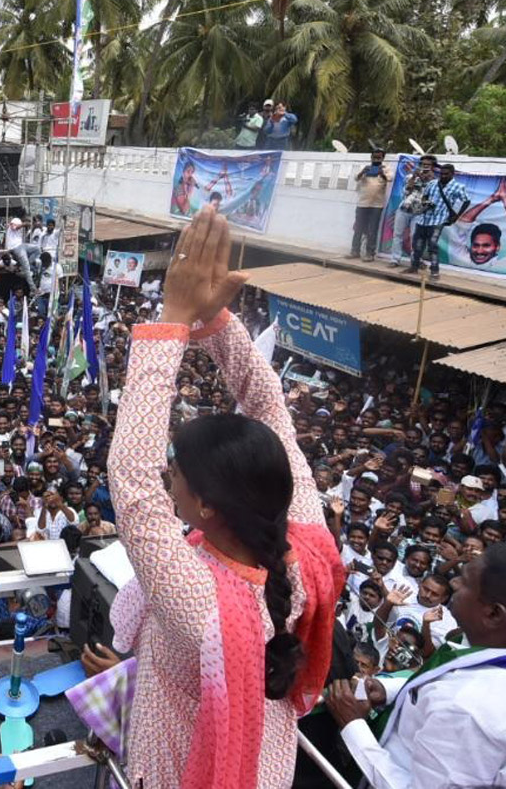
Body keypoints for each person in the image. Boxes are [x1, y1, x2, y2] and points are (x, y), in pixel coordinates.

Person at [67, 209, 343, 789]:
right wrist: (214, 319)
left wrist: (174, 320)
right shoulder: (306, 542)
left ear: (207, 505)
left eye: (177, 477)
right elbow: (270, 411)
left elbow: (131, 475)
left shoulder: (201, 602)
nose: (167, 483)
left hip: (180, 766)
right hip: (262, 758)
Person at [326, 541, 506, 787]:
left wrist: (354, 726)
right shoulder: (480, 652)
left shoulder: (469, 709)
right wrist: (391, 690)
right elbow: (446, 681)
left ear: (494, 614)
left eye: (464, 583)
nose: (454, 585)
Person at [408, 162, 470, 280]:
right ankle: (414, 267)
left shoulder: (458, 186)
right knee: (417, 244)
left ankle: (434, 272)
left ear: (452, 174)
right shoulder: (432, 183)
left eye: (446, 174)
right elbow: (424, 196)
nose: (443, 176)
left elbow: (466, 201)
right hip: (423, 218)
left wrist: (456, 216)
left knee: (432, 245)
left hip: (439, 220)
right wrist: (426, 203)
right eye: (441, 174)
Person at [348, 150, 388, 262]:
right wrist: (363, 172)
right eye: (374, 157)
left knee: (372, 230)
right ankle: (355, 251)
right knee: (358, 229)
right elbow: (356, 178)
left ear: (382, 159)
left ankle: (370, 254)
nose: (376, 160)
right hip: (362, 203)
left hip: (377, 205)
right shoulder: (365, 168)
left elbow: (390, 179)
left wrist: (382, 174)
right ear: (371, 157)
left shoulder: (385, 169)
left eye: (379, 158)